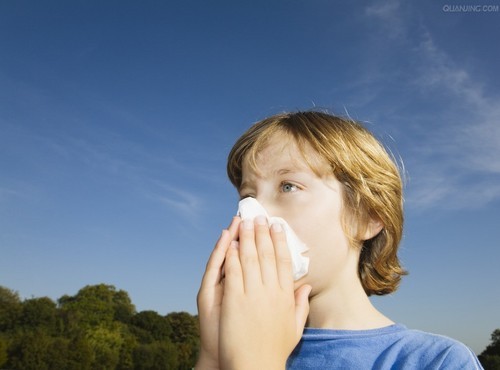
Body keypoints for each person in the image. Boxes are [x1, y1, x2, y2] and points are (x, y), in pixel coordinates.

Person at [195, 111, 483, 369]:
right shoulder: (226, 348)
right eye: (248, 195)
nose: (252, 214)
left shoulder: (437, 361)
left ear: (366, 216)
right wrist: (212, 356)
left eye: (288, 186)